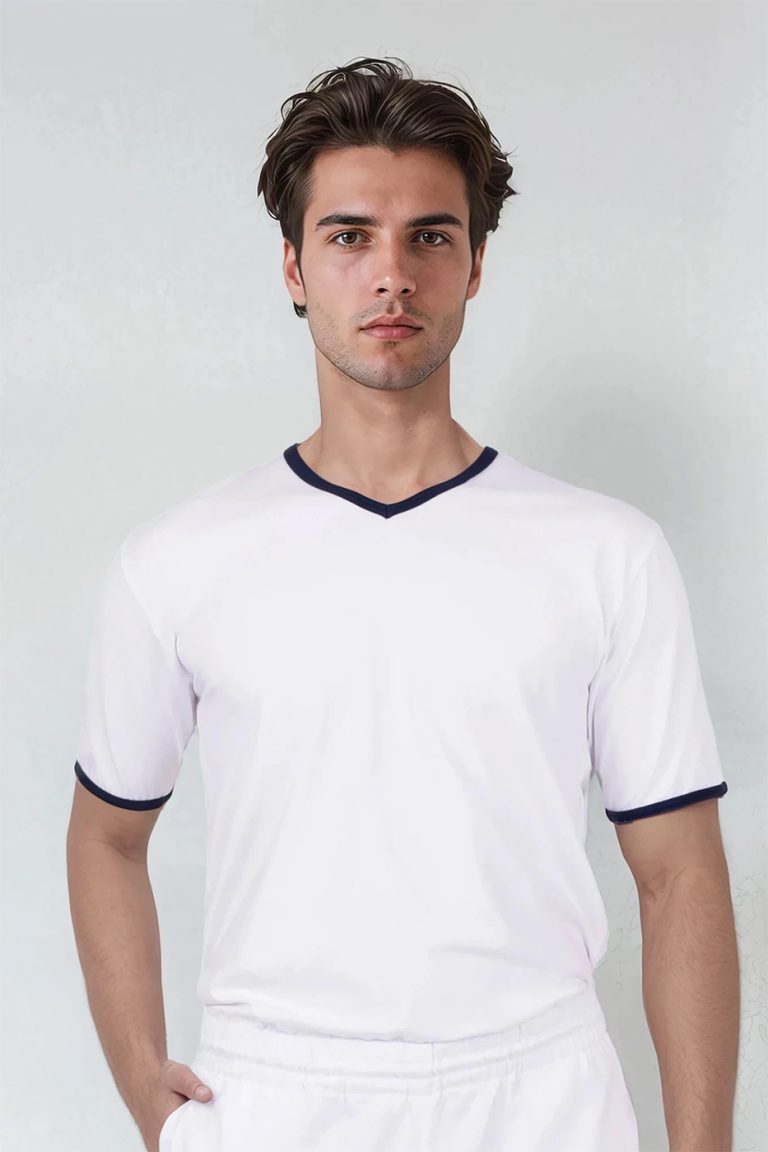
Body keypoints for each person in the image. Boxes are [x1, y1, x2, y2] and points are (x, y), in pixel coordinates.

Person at [67, 56, 735, 1152]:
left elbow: (679, 878)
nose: (392, 276)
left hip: (542, 1099)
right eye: (349, 236)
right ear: (293, 267)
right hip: (275, 1095)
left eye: (430, 236)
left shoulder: (608, 555)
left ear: (475, 265)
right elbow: (106, 836)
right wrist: (145, 1082)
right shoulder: (178, 563)